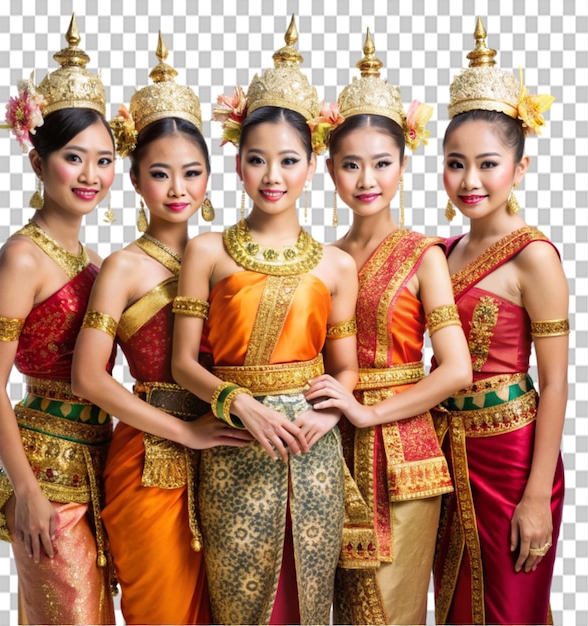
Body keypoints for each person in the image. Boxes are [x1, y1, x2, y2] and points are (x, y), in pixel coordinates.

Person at [171, 16, 359, 625]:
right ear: (238, 165)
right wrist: (239, 403)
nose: (272, 177)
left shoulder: (336, 264)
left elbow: (346, 367)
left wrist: (329, 412)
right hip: (232, 446)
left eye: (288, 161)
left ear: (312, 166)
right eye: (257, 160)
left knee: (309, 603)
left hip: (314, 450)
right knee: (240, 606)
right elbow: (182, 362)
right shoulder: (206, 250)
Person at [70, 33, 253, 625]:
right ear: (134, 181)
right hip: (148, 456)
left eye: (192, 172)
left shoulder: (231, 255)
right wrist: (185, 432)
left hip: (233, 446)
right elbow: (88, 380)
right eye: (160, 174)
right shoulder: (123, 267)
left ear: (210, 177)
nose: (178, 190)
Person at [303, 30, 472, 625]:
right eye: (351, 164)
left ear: (403, 165)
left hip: (405, 455)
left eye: (381, 163)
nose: (366, 178)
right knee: (337, 609)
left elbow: (456, 368)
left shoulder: (423, 253)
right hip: (331, 448)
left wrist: (372, 411)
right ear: (329, 170)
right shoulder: (321, 257)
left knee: (390, 613)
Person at [0, 15, 117, 625]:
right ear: (39, 163)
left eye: (104, 160)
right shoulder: (21, 257)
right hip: (46, 474)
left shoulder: (97, 260)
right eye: (73, 157)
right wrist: (26, 490)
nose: (90, 175)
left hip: (100, 460)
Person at [432, 18, 567, 625]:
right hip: (443, 452)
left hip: (511, 459)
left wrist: (536, 494)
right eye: (456, 164)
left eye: (487, 164)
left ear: (520, 166)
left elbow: (557, 381)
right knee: (455, 606)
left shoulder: (533, 256)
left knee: (511, 611)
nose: (470, 181)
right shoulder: (441, 250)